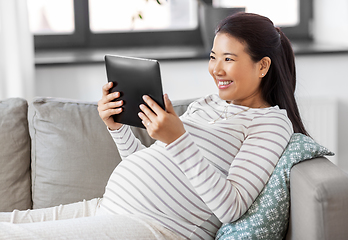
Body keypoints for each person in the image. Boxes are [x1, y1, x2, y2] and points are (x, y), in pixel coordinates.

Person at [0, 12, 307, 240]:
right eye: (213, 57)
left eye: (228, 59)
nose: (216, 69)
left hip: (155, 228)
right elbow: (151, 165)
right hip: (110, 208)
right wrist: (117, 127)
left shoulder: (270, 123)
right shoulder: (208, 103)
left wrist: (177, 140)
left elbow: (231, 207)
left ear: (263, 66)